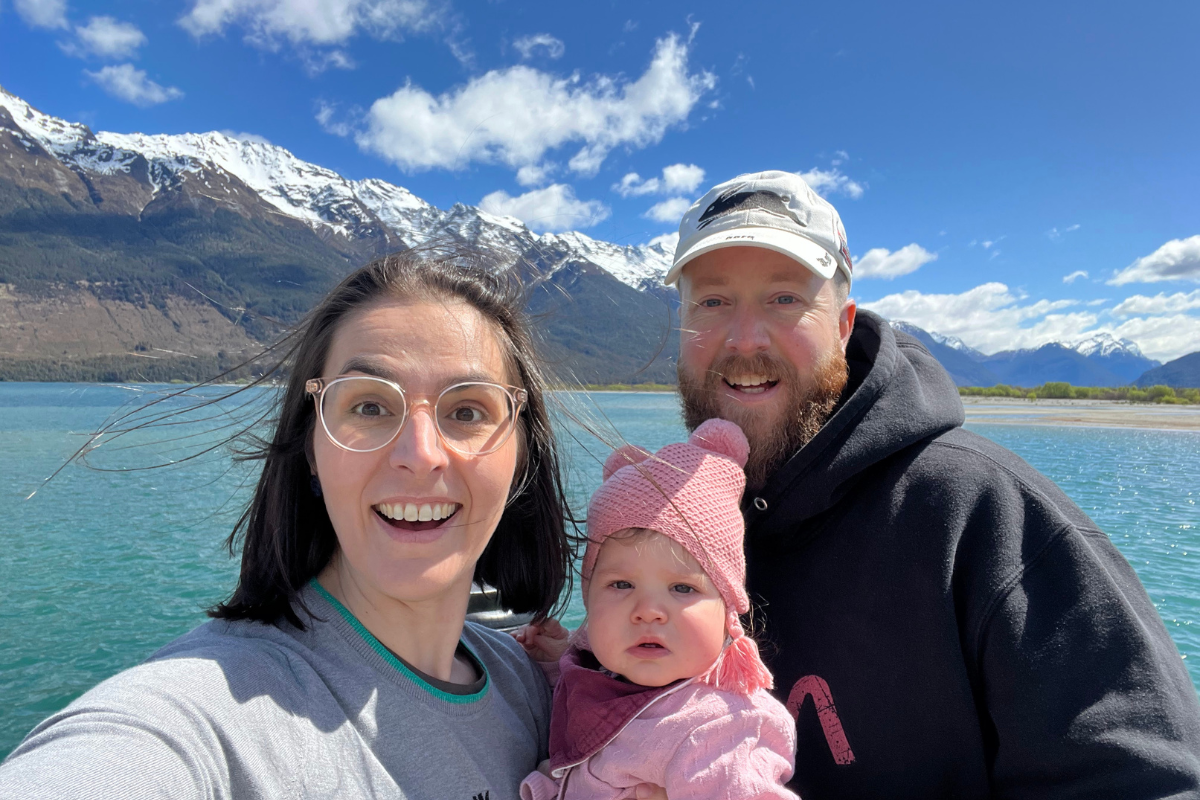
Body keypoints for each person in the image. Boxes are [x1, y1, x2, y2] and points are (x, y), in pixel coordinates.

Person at [666, 170, 1200, 799]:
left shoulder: (985, 516)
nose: (744, 338)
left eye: (784, 299)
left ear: (842, 324)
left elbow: (1144, 782)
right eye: (712, 301)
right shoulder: (674, 519)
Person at [0, 250, 578, 799]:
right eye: (369, 406)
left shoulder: (528, 686)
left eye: (468, 410)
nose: (420, 453)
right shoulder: (214, 713)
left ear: (521, 454)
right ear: (311, 447)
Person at [516, 419, 797, 800]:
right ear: (590, 597)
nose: (648, 611)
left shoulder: (719, 731)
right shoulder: (614, 676)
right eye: (621, 585)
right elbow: (593, 697)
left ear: (728, 610)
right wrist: (555, 664)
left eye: (682, 588)